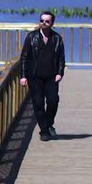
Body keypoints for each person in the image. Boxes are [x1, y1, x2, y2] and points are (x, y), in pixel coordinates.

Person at [19, 11, 66, 141]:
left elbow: (61, 58)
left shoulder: (57, 39)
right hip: (35, 76)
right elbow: (24, 57)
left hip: (51, 76)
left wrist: (60, 73)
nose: (43, 23)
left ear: (52, 23)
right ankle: (44, 131)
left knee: (53, 101)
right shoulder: (31, 37)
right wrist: (23, 76)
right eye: (41, 21)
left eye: (47, 21)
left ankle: (49, 123)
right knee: (38, 103)